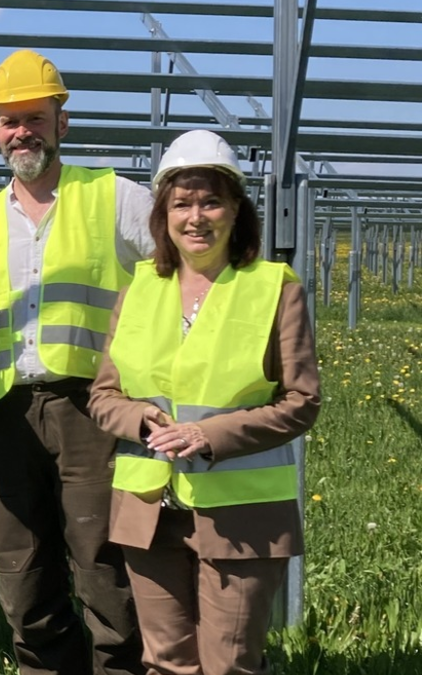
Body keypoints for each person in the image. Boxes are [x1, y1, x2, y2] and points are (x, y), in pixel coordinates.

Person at [0, 49, 149, 674]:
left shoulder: (115, 199)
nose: (20, 131)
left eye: (34, 116)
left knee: (105, 574)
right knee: (23, 585)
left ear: (62, 123)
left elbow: (182, 272)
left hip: (93, 410)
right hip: (5, 416)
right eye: (7, 120)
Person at [88, 129, 321, 675]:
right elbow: (103, 395)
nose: (196, 216)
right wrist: (140, 417)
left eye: (211, 201)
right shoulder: (140, 286)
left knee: (230, 662)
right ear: (163, 213)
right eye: (182, 202)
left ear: (236, 210)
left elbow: (302, 399)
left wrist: (207, 435)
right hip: (148, 508)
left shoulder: (273, 287)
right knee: (165, 660)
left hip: (242, 514)